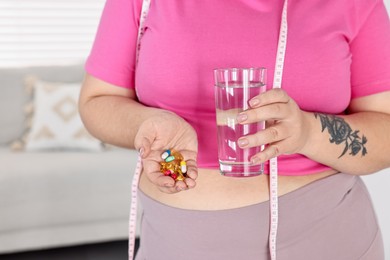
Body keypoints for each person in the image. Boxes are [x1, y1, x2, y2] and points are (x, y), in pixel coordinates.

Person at [79, 0, 390, 259]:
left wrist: (309, 131)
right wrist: (145, 124)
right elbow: (97, 101)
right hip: (178, 241)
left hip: (324, 239)